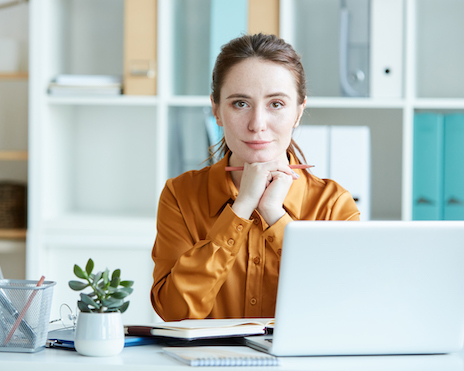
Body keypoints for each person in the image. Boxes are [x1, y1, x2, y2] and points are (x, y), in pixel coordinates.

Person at [151, 33, 360, 322]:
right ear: (216, 111)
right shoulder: (180, 194)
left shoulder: (332, 204)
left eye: (276, 104)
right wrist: (241, 208)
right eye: (240, 104)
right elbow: (174, 312)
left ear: (298, 112)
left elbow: (344, 308)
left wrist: (275, 216)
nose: (257, 125)